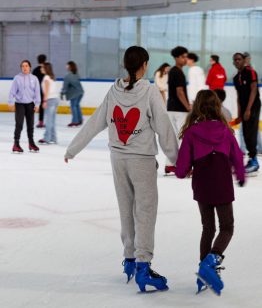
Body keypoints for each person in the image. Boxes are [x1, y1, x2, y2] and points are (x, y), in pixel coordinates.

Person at [64, 46, 178, 292]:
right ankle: (143, 266)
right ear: (145, 65)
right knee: (145, 212)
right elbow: (164, 129)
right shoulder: (149, 92)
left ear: (125, 65)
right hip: (142, 161)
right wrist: (178, 160)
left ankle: (129, 259)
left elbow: (95, 122)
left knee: (126, 209)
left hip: (118, 160)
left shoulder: (114, 91)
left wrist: (72, 149)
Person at [175, 90, 245, 296]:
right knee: (227, 227)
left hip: (202, 186)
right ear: (217, 106)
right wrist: (240, 175)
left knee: (208, 227)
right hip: (222, 185)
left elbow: (182, 166)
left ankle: (203, 272)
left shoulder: (191, 132)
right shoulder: (225, 130)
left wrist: (181, 172)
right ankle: (211, 261)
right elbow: (237, 157)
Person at [233, 53, 261, 175]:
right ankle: (251, 160)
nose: (237, 61)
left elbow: (254, 89)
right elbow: (238, 97)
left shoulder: (251, 72)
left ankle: (254, 161)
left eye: (239, 59)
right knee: (245, 133)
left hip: (253, 107)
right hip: (244, 109)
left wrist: (249, 109)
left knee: (251, 132)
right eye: (235, 60)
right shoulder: (236, 78)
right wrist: (240, 114)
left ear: (244, 60)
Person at [165, 46, 190, 174]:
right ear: (177, 58)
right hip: (179, 110)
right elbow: (180, 92)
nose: (186, 59)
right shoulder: (178, 72)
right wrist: (188, 107)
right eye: (183, 57)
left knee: (174, 137)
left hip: (171, 108)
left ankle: (170, 164)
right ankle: (182, 165)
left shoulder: (173, 71)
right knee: (184, 137)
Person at [8, 60, 41, 153]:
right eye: (22, 66)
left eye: (26, 66)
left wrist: (37, 104)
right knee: (19, 124)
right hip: (19, 104)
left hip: (30, 104)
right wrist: (10, 102)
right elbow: (12, 91)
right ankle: (16, 144)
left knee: (30, 125)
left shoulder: (34, 78)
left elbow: (37, 92)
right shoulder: (17, 78)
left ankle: (31, 143)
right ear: (21, 68)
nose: (24, 67)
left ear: (30, 67)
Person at [38, 62, 59, 144]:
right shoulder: (52, 77)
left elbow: (46, 91)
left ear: (46, 69)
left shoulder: (46, 78)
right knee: (52, 120)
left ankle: (47, 138)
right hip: (55, 99)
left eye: (42, 68)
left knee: (48, 120)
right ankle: (53, 138)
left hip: (50, 100)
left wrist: (44, 101)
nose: (41, 69)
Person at [61, 61, 84, 127]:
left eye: (67, 65)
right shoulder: (76, 74)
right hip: (80, 92)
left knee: (73, 106)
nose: (66, 67)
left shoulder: (68, 76)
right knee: (77, 106)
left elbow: (65, 86)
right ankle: (80, 120)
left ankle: (75, 121)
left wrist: (62, 92)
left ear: (70, 67)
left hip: (74, 94)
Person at [32, 54, 47, 128]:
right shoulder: (47, 69)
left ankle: (40, 121)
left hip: (38, 90)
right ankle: (44, 121)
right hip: (46, 90)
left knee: (40, 106)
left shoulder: (35, 70)